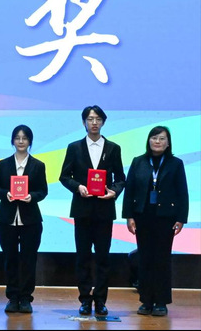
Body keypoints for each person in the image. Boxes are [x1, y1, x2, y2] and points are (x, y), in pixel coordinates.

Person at [59, 105, 125, 316]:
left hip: (104, 210)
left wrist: (114, 192)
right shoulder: (74, 147)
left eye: (97, 119)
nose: (94, 122)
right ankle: (85, 300)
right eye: (90, 118)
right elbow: (64, 176)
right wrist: (78, 187)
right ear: (84, 122)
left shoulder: (113, 148)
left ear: (103, 122)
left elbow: (120, 178)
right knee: (83, 256)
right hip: (82, 209)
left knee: (103, 257)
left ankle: (101, 300)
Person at [122, 126, 189, 317]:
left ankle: (161, 301)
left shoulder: (176, 163)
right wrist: (129, 216)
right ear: (148, 141)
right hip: (142, 216)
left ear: (168, 143)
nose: (157, 141)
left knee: (162, 259)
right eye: (154, 138)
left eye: (161, 138)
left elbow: (182, 192)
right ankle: (146, 301)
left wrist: (181, 218)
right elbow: (129, 190)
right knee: (144, 258)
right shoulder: (138, 162)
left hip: (166, 217)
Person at [0, 125, 48, 314]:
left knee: (29, 260)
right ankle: (12, 297)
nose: (21, 141)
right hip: (6, 219)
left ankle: (25, 298)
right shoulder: (3, 164)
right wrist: (5, 194)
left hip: (31, 220)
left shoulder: (38, 165)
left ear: (30, 141)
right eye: (17, 138)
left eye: (24, 138)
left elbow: (43, 191)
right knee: (10, 259)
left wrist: (32, 196)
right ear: (12, 141)